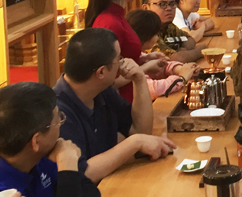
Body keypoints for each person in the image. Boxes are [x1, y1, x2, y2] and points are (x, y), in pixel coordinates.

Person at [55, 28, 177, 184]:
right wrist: (134, 143)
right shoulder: (57, 112)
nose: (123, 62)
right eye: (119, 58)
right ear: (101, 72)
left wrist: (139, 79)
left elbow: (141, 130)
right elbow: (82, 172)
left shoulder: (102, 91)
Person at [85, 0, 167, 102]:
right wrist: (146, 67)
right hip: (119, 103)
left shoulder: (117, 16)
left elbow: (123, 61)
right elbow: (110, 80)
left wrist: (144, 59)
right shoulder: (109, 22)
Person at [0, 82, 99, 196]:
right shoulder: (7, 192)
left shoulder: (41, 157)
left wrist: (68, 168)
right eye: (58, 120)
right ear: (36, 141)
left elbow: (92, 193)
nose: (61, 124)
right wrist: (67, 166)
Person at [126, 9, 201, 100]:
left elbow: (162, 65)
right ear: (147, 36)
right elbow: (153, 89)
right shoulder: (128, 57)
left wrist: (181, 69)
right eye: (156, 33)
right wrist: (181, 78)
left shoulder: (140, 54)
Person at [142, 0, 207, 62]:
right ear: (146, 8)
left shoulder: (168, 26)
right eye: (162, 4)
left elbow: (190, 40)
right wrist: (200, 50)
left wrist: (182, 51)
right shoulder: (146, 31)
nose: (169, 8)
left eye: (172, 4)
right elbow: (176, 59)